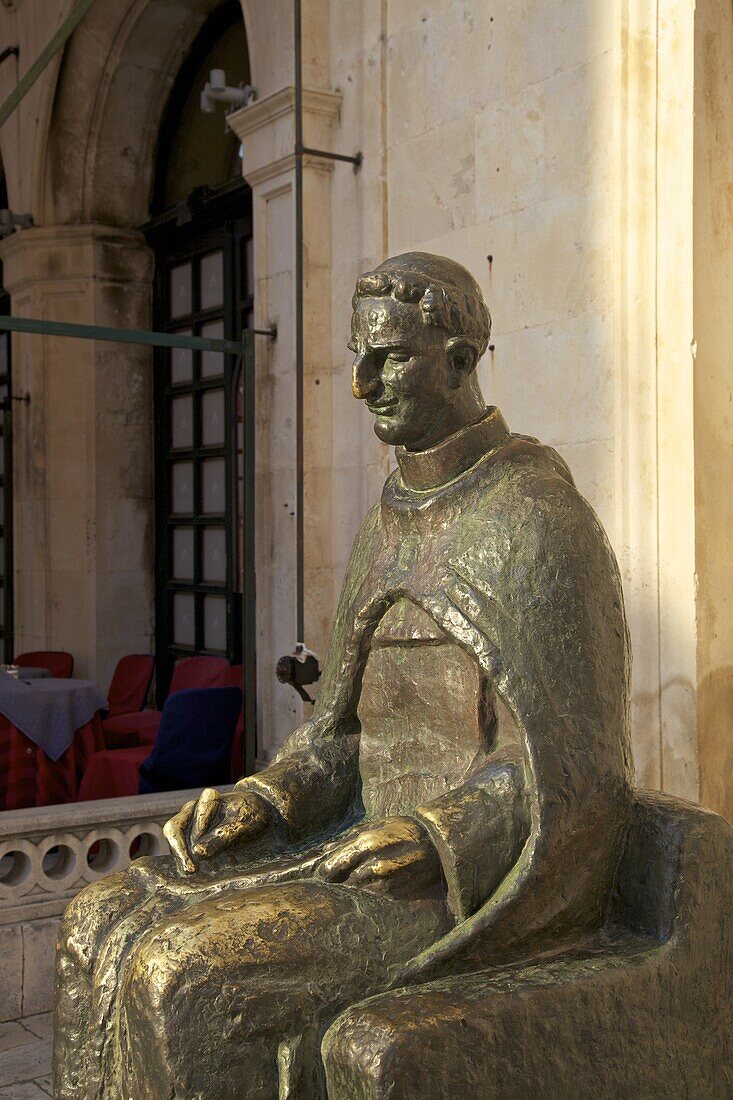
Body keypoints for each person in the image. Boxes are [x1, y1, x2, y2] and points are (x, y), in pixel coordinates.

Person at [54, 252, 633, 1099]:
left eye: (390, 356)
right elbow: (342, 737)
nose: (362, 383)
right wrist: (267, 797)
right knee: (95, 920)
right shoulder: (386, 519)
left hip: (453, 883)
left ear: (462, 361)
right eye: (357, 357)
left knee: (183, 973)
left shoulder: (538, 517)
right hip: (347, 847)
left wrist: (436, 832)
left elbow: (577, 767)